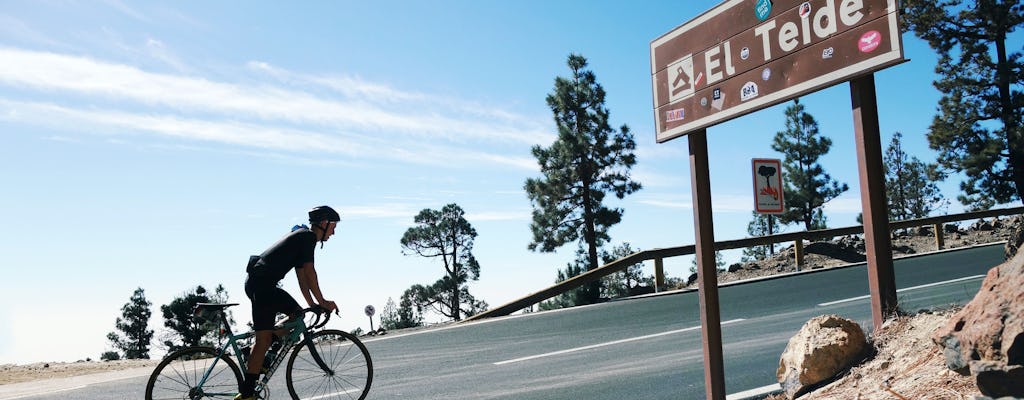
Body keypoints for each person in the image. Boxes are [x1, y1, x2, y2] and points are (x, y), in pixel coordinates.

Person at [235, 205, 341, 400]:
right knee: (263, 340)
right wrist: (323, 301)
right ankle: (247, 393)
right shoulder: (308, 238)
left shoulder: (303, 238)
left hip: (261, 283)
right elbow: (310, 273)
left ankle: (260, 357)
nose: (334, 232)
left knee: (297, 315)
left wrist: (313, 304)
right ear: (324, 223)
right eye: (333, 226)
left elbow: (303, 278)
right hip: (263, 285)